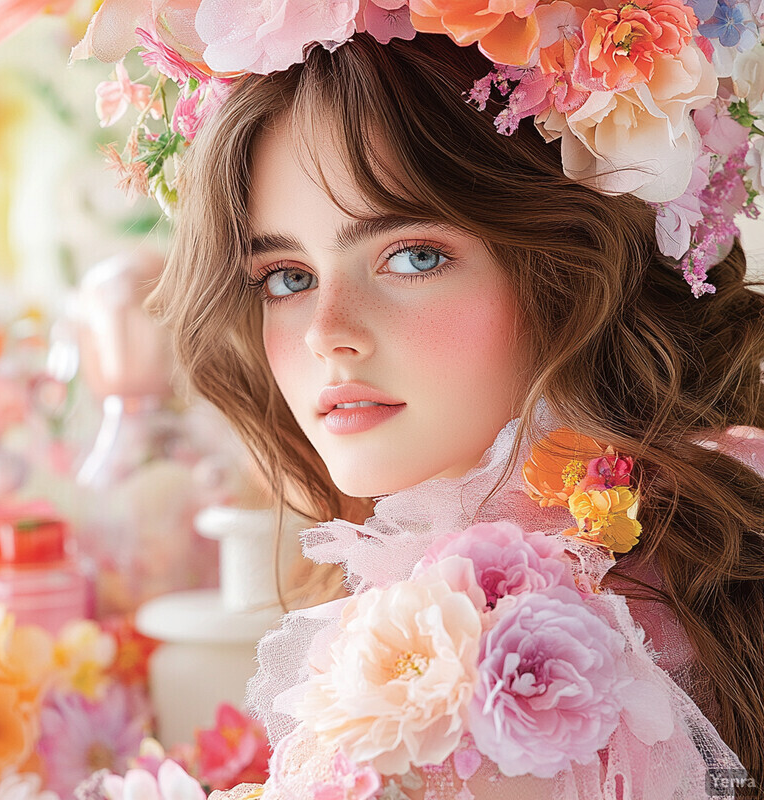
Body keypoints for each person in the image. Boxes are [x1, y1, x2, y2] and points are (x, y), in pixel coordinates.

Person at [138, 23, 764, 800]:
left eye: (413, 256)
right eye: (287, 276)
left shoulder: (484, 675)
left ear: (563, 270)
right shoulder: (659, 540)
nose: (329, 335)